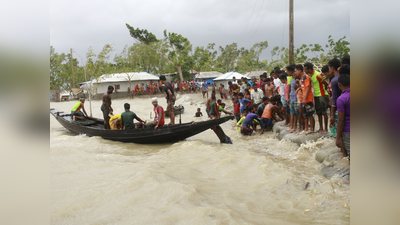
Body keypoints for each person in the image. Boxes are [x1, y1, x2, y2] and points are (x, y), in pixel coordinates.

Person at [304, 62, 329, 134]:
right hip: (316, 95)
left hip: (322, 95)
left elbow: (325, 84)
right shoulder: (310, 75)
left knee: (324, 112)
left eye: (305, 69)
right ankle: (321, 128)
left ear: (309, 69)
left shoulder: (318, 75)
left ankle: (326, 129)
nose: (305, 71)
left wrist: (327, 93)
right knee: (318, 112)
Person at [336, 74, 350, 160]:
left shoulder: (341, 99)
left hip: (348, 130)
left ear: (339, 85)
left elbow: (341, 120)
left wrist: (338, 137)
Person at [297, 64, 315, 132]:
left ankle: (311, 129)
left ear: (299, 70)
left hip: (308, 98)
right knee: (305, 114)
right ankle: (306, 128)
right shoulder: (302, 78)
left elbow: (308, 87)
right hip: (304, 99)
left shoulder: (306, 77)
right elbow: (303, 87)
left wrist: (304, 98)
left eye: (296, 71)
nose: (295, 72)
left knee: (310, 114)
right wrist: (299, 89)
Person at [329, 58, 342, 135]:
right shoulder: (344, 77)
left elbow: (334, 98)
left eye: (329, 68)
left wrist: (332, 114)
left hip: (338, 107)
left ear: (332, 68)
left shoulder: (334, 80)